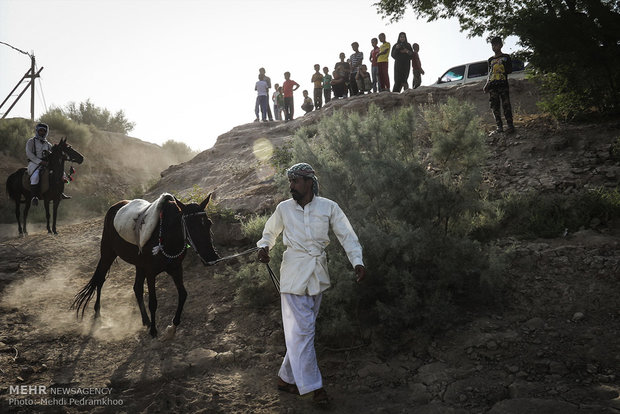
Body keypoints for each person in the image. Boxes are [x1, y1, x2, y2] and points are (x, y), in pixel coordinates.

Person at [256, 162, 366, 405]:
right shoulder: (284, 208)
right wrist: (264, 248)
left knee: (301, 332)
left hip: (317, 276)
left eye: (295, 181)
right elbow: (269, 233)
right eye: (290, 182)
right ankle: (316, 390)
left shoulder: (329, 207)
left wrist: (357, 261)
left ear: (308, 182)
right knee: (304, 331)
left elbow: (347, 235)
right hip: (293, 276)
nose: (291, 186)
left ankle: (285, 379)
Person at [483, 36, 515, 135]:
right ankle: (499, 127)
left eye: (496, 44)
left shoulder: (506, 57)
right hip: (493, 86)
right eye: (492, 45)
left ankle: (510, 126)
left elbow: (509, 70)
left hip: (503, 84)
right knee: (494, 107)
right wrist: (486, 84)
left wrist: (501, 66)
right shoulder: (490, 60)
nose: (494, 47)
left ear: (501, 45)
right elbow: (490, 73)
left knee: (506, 105)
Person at [26, 123, 52, 206]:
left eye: (44, 131)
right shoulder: (31, 141)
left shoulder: (48, 144)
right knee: (35, 176)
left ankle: (59, 193)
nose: (42, 132)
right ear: (37, 131)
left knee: (58, 173)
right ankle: (34, 197)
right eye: (40, 130)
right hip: (34, 163)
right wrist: (40, 162)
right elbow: (29, 153)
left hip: (46, 164)